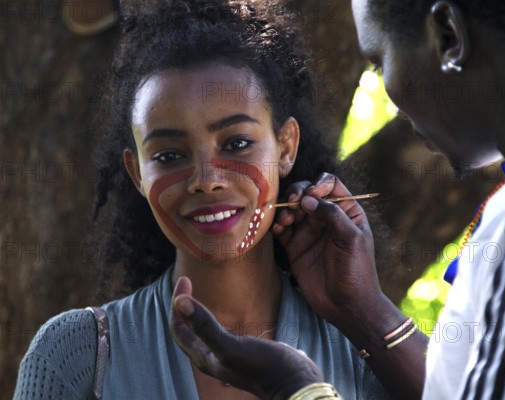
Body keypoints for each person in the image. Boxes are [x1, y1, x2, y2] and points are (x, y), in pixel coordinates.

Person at [170, 0, 505, 399]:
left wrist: (298, 388)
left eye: (378, 64)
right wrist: (363, 310)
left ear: (448, 37)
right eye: (170, 155)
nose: (208, 181)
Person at [13, 1, 396, 399]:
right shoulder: (75, 355)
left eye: (237, 144)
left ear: (285, 148)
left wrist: (368, 310)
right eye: (168, 156)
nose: (206, 180)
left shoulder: (362, 345)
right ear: (137, 174)